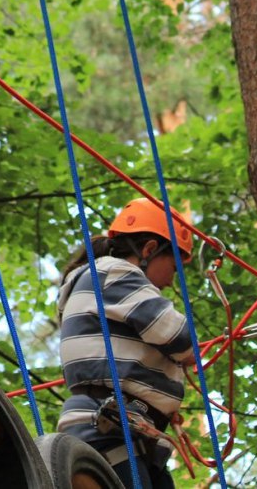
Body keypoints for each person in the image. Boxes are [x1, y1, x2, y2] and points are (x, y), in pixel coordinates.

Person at [56, 198, 198, 489]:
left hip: (123, 429)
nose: (172, 281)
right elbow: (180, 338)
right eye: (174, 267)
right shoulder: (117, 273)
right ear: (148, 250)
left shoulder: (98, 279)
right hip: (109, 427)